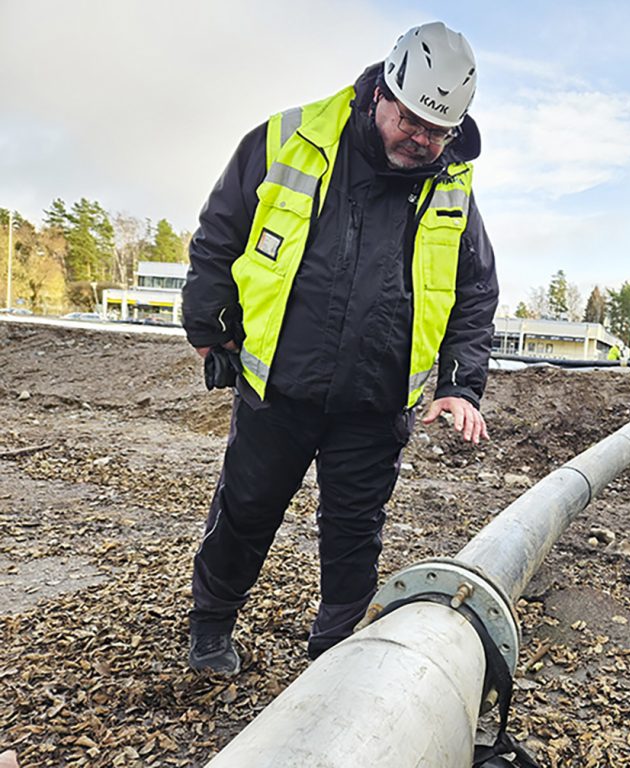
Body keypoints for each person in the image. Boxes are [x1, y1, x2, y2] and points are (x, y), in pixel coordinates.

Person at [181, 21, 498, 674]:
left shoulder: (454, 188)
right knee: (245, 512)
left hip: (375, 405)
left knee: (355, 538)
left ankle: (334, 658)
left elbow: (475, 295)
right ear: (384, 91)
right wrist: (208, 330)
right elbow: (219, 236)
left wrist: (460, 387)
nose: (422, 138)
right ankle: (211, 623)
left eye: (437, 130)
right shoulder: (289, 140)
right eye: (411, 120)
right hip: (280, 390)